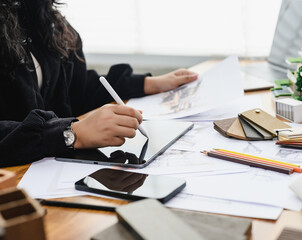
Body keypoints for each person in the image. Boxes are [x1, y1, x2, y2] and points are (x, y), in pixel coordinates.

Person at [0, 0, 198, 167]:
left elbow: (76, 89)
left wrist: (147, 84)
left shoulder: (42, 18)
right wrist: (70, 133)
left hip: (51, 166)